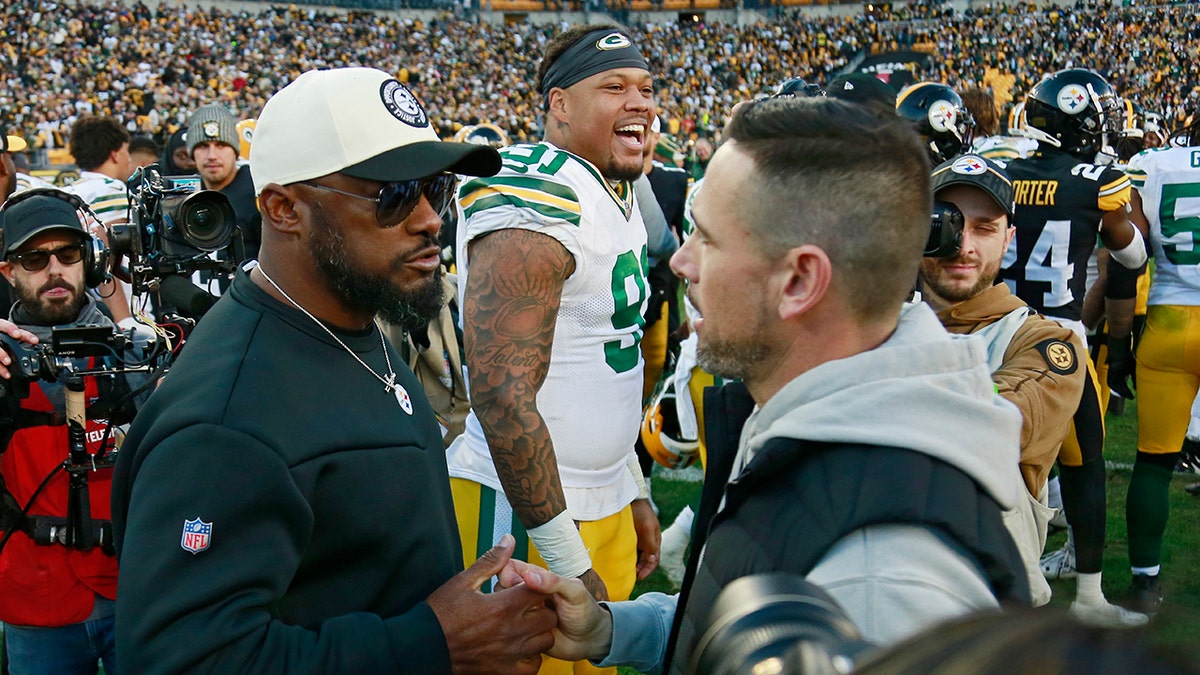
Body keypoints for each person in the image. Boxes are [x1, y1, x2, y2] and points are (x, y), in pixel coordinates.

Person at [503, 96, 1031, 673]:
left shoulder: (880, 577)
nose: (682, 262)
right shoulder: (813, 414)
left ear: (800, 280)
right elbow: (750, 617)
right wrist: (615, 629)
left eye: (708, 238)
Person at [109, 66, 557, 673]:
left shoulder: (348, 316)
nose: (430, 219)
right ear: (284, 208)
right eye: (393, 195)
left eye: (436, 188)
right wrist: (432, 643)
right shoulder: (225, 423)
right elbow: (181, 660)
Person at [448, 23, 660, 674]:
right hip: (524, 513)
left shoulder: (616, 190)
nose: (642, 103)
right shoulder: (537, 188)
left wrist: (633, 486)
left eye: (648, 89)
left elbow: (605, 357)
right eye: (615, 86)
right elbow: (503, 396)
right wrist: (570, 561)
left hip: (603, 497)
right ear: (559, 105)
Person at [918, 153, 1144, 626]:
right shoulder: (875, 320)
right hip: (875, 601)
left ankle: (1091, 593)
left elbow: (992, 425)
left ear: (1008, 241)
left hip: (984, 607)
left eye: (984, 228)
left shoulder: (1044, 341)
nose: (963, 245)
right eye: (948, 223)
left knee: (1086, 467)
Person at [999, 69, 1148, 613]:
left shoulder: (1001, 169)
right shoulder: (1098, 181)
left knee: (1002, 465)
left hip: (999, 335)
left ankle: (1002, 586)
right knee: (1083, 464)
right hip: (1061, 341)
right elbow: (1132, 256)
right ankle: (1088, 596)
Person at [0, 189, 154, 675]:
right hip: (35, 602)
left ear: (88, 261)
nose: (54, 270)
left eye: (68, 255)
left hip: (133, 591)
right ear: (9, 272)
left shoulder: (135, 349)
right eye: (34, 258)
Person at [1121, 107, 1200, 614]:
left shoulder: (1153, 163)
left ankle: (1146, 586)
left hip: (1170, 323)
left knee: (1152, 464)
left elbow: (1126, 256)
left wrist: (1122, 338)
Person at [186, 103, 262, 263]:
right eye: (203, 146)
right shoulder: (186, 192)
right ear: (192, 152)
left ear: (235, 151)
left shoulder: (258, 190)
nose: (212, 155)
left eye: (221, 145)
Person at [63, 116, 133, 227]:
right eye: (126, 150)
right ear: (115, 155)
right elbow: (112, 241)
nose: (129, 158)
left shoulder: (66, 192)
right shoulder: (113, 189)